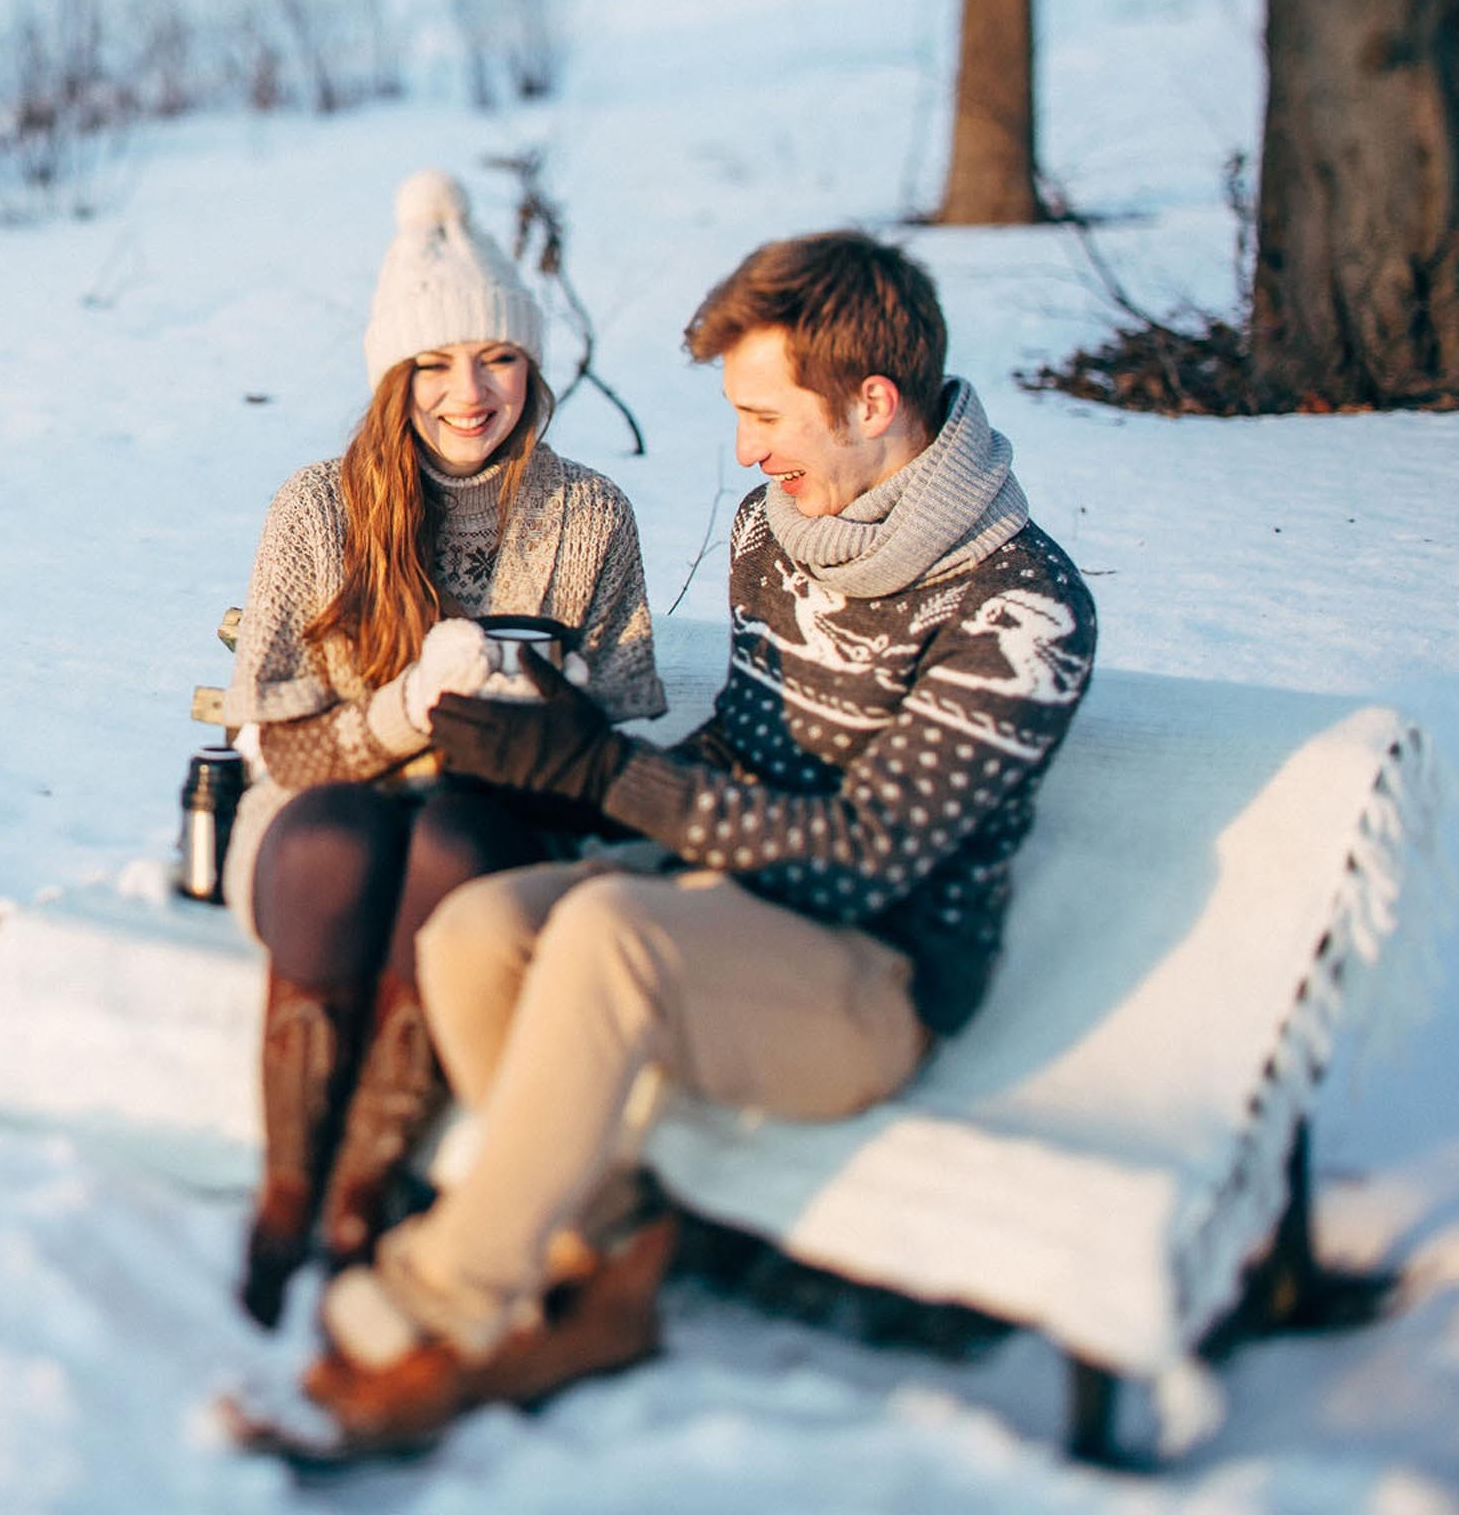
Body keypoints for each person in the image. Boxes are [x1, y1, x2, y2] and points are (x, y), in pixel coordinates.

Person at [294, 230, 1099, 1448]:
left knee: (611, 932)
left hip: (869, 982)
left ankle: (435, 1303)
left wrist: (612, 778)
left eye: (766, 414)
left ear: (872, 402)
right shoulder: (776, 532)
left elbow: (870, 852)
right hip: (715, 917)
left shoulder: (1021, 609)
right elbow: (744, 755)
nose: (746, 450)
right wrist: (574, 773)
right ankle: (600, 1252)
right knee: (478, 929)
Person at [219, 170, 666, 1329]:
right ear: (391, 379)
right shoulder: (318, 509)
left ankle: (368, 1186)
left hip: (496, 822)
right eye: (432, 364)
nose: (470, 394)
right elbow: (278, 745)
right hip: (325, 815)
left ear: (535, 367)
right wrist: (407, 709)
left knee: (455, 841)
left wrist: (545, 718)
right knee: (336, 837)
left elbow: (620, 728)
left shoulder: (588, 514)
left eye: (498, 359)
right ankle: (286, 1189)